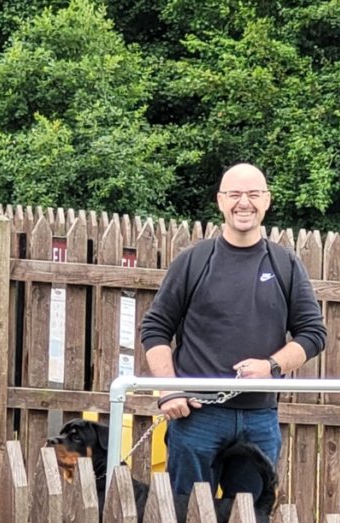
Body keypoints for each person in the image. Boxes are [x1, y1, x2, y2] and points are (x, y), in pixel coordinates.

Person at [140, 162, 327, 496]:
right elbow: (155, 328)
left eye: (254, 194)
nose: (245, 203)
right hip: (196, 419)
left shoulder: (285, 265)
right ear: (220, 201)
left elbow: (313, 334)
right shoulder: (193, 261)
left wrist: (271, 366)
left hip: (260, 421)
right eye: (235, 194)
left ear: (267, 200)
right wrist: (169, 389)